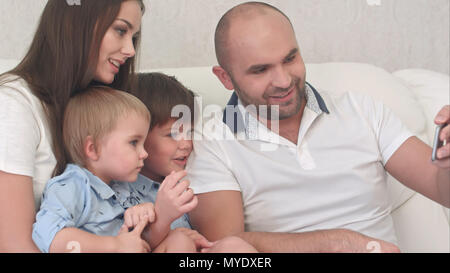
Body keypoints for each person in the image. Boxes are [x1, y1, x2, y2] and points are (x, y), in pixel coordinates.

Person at [187, 2, 450, 253]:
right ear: (225, 77)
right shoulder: (212, 143)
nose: (283, 80)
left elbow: (442, 190)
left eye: (290, 58)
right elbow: (223, 244)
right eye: (260, 70)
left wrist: (447, 159)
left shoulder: (362, 111)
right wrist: (335, 243)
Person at [0, 0, 145, 252]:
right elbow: (14, 245)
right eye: (121, 30)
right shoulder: (13, 104)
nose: (130, 50)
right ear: (73, 24)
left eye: (134, 37)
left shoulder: (96, 106)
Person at [33, 86, 211, 253]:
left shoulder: (127, 186)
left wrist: (167, 229)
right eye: (134, 143)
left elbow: (141, 243)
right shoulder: (73, 185)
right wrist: (115, 245)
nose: (143, 153)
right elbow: (49, 236)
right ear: (93, 149)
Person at [128, 72, 258, 253]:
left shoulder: (186, 181)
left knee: (233, 246)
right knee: (179, 242)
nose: (186, 144)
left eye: (190, 133)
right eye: (172, 134)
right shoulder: (122, 191)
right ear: (137, 137)